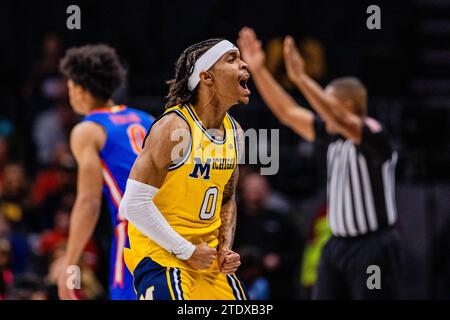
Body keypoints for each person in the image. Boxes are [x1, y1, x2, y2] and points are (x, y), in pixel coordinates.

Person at [238, 27, 402, 299]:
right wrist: (259, 72)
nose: (320, 108)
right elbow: (288, 112)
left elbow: (339, 118)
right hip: (336, 246)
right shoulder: (333, 135)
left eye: (327, 101)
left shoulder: (375, 135)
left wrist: (302, 78)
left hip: (374, 247)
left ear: (348, 105)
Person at [120, 38, 250, 300]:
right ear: (206, 76)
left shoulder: (235, 132)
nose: (244, 64)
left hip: (206, 258)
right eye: (232, 59)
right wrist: (185, 250)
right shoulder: (173, 128)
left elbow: (226, 199)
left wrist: (224, 248)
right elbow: (132, 205)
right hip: (162, 255)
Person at [56, 44, 154, 300]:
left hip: (133, 230)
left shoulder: (87, 130)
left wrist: (70, 264)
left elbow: (88, 203)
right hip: (169, 226)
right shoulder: (146, 119)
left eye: (69, 88)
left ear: (80, 89)